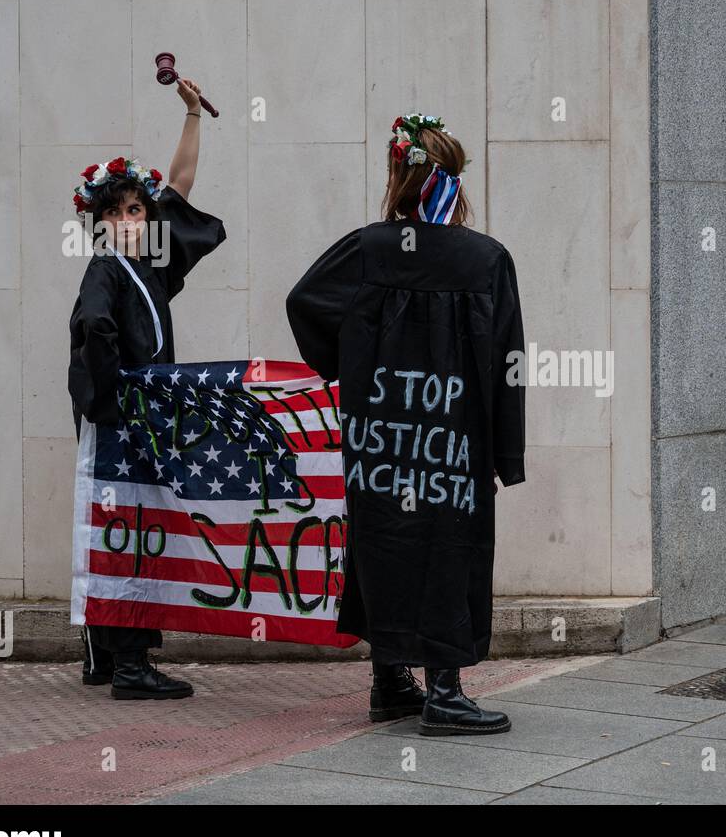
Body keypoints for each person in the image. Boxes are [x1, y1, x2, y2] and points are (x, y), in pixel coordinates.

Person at [286, 113, 526, 735]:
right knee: (449, 550)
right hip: (454, 443)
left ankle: (389, 681)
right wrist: (506, 453)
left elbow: (302, 301)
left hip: (379, 441)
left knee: (385, 542)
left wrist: (352, 370)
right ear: (454, 181)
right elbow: (509, 362)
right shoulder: (486, 259)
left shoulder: (367, 249)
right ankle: (443, 693)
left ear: (399, 175)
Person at [68, 77, 227, 698]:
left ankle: (106, 659)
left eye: (137, 209)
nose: (131, 219)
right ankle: (129, 666)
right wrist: (120, 403)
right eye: (117, 211)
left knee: (123, 530)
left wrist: (192, 114)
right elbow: (92, 330)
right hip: (120, 425)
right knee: (126, 532)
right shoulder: (106, 271)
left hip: (132, 423)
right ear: (99, 222)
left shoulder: (147, 265)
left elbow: (180, 187)